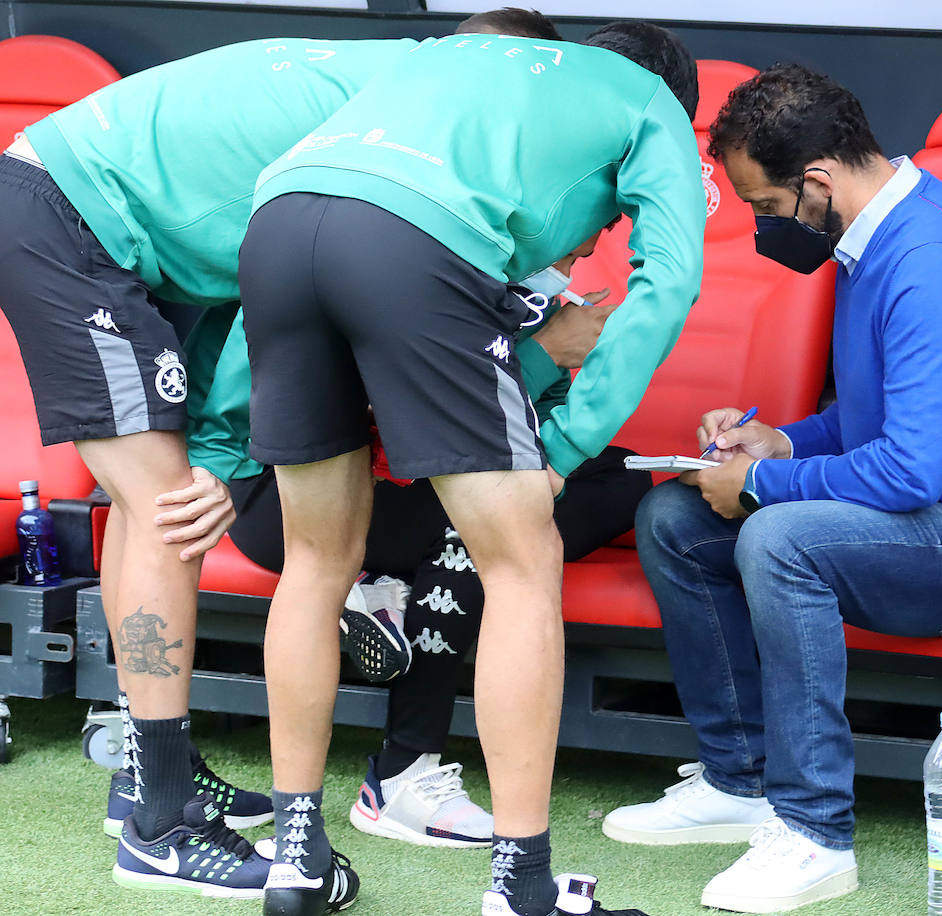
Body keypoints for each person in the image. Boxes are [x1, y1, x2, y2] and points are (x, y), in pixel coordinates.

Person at [0, 8, 557, 903]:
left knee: (151, 498)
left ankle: (150, 771)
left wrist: (220, 445)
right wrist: (222, 460)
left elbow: (250, 271)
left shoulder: (395, 82)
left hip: (127, 227)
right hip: (69, 220)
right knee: (168, 507)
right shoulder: (403, 122)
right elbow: (283, 292)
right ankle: (160, 827)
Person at [237, 21, 705, 916]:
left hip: (281, 218)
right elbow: (670, 278)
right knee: (522, 557)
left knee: (317, 559)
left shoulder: (453, 56)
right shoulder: (650, 104)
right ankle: (523, 888)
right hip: (417, 242)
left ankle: (296, 861)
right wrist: (564, 446)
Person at [601, 63, 942, 913]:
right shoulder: (873, 240)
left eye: (765, 207)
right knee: (676, 515)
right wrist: (779, 440)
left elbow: (905, 472)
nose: (763, 228)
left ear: (818, 180)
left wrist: (763, 484)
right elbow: (875, 423)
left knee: (777, 536)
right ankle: (740, 779)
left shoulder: (932, 260)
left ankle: (815, 833)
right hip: (933, 521)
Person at [209, 235, 650, 850]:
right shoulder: (412, 263)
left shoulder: (530, 302)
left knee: (614, 475)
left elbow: (521, 433)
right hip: (288, 497)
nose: (570, 271)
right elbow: (405, 411)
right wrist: (547, 352)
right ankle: (402, 769)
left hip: (392, 495)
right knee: (485, 523)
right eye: (568, 252)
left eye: (579, 260)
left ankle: (379, 591)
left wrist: (568, 368)